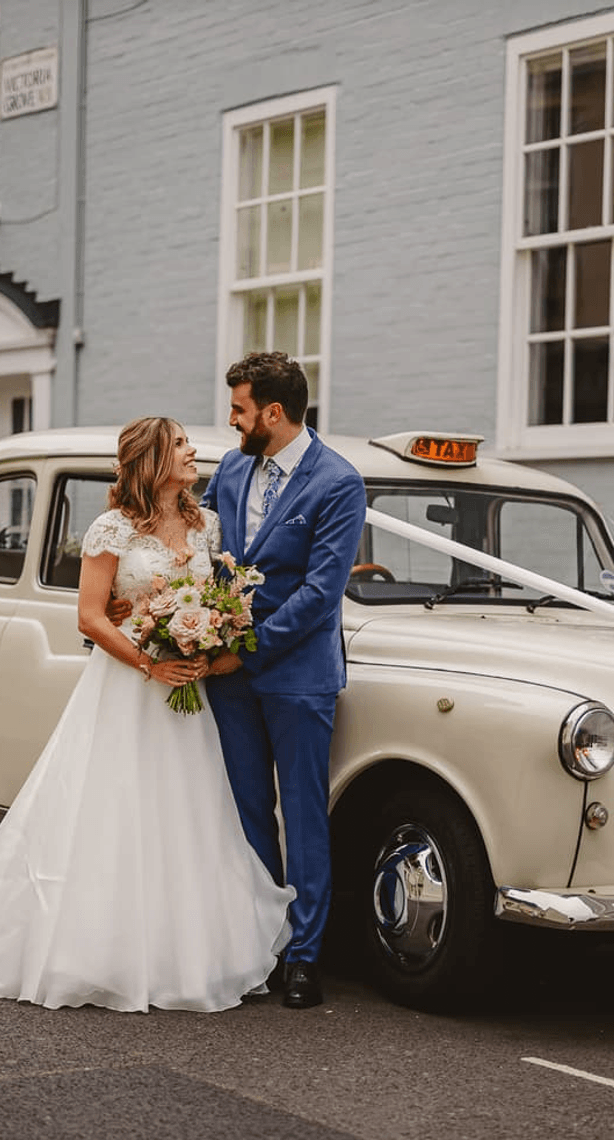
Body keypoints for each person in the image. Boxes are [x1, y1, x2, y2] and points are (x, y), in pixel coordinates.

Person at [0, 417, 294, 1012]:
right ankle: (99, 945)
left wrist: (211, 642)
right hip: (128, 688)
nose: (194, 454)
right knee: (113, 808)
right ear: (153, 459)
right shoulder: (110, 528)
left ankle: (181, 950)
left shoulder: (205, 523)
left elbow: (217, 598)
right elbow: (90, 616)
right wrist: (150, 662)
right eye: (183, 445)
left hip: (183, 696)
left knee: (185, 812)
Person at [203, 352, 366, 1009]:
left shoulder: (338, 482)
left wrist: (248, 649)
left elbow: (321, 595)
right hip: (228, 676)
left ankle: (303, 957)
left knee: (303, 818)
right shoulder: (232, 468)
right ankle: (258, 945)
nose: (232, 419)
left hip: (297, 676)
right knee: (245, 815)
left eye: (239, 408)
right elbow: (206, 554)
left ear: (273, 412)